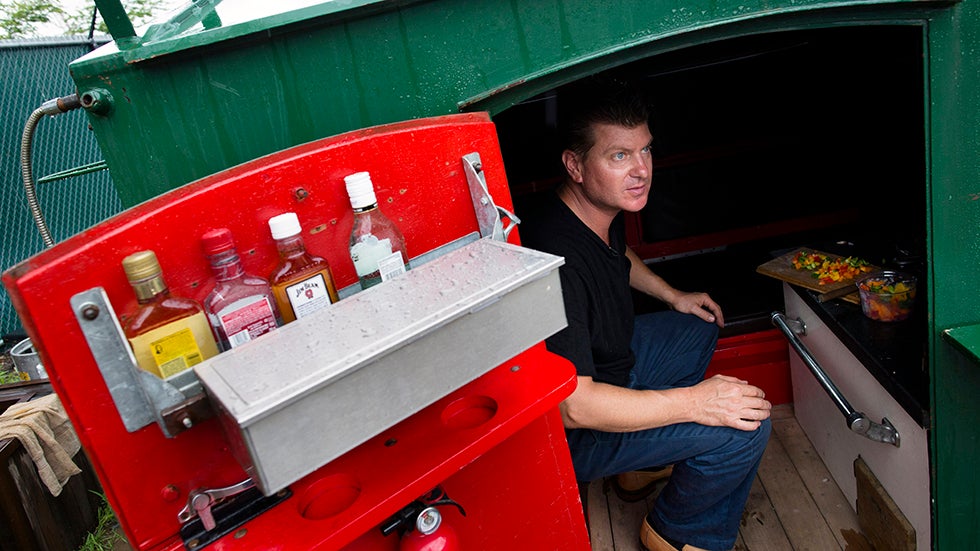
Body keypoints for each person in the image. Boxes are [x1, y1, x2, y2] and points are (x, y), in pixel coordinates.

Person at [518, 79, 772, 551]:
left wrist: (672, 295)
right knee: (744, 428)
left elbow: (616, 252)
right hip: (579, 433)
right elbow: (574, 407)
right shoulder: (556, 262)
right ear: (575, 165)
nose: (641, 171)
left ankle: (637, 469)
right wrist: (695, 403)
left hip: (615, 364)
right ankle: (676, 534)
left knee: (696, 324)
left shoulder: (589, 208)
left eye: (646, 150)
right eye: (619, 156)